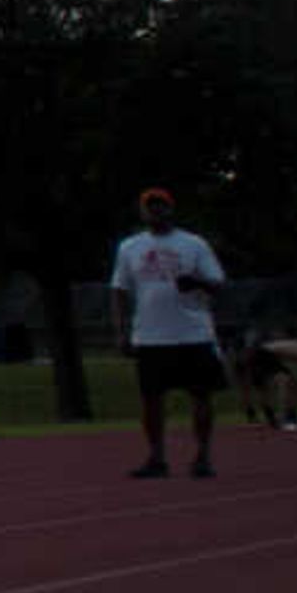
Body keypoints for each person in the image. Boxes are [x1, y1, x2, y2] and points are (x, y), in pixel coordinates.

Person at [109, 186, 228, 478]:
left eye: (160, 206)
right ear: (142, 212)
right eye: (149, 207)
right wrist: (121, 331)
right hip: (151, 336)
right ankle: (156, 457)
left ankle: (202, 456)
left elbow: (218, 282)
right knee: (151, 399)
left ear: (170, 209)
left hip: (192, 333)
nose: (155, 211)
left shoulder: (193, 244)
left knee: (201, 396)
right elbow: (120, 290)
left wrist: (196, 283)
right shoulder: (130, 247)